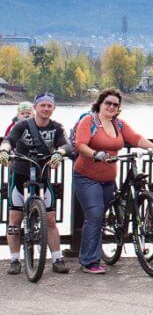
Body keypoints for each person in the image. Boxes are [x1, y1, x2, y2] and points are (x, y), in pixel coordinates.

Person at [72, 88, 153, 273]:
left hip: (108, 179)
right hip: (86, 177)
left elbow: (135, 138)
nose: (111, 107)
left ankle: (95, 254)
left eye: (115, 104)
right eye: (108, 103)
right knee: (95, 215)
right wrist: (95, 154)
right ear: (100, 104)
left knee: (99, 217)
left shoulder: (118, 124)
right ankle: (89, 261)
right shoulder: (89, 121)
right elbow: (80, 144)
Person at [0, 93, 72, 275]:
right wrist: (4, 150)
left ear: (53, 109)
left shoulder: (56, 127)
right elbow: (9, 140)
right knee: (14, 219)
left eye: (49, 106)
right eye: (43, 106)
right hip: (20, 172)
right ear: (35, 107)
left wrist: (59, 153)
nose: (46, 109)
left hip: (42, 173)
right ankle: (15, 260)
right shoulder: (22, 125)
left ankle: (57, 259)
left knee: (50, 219)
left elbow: (66, 144)